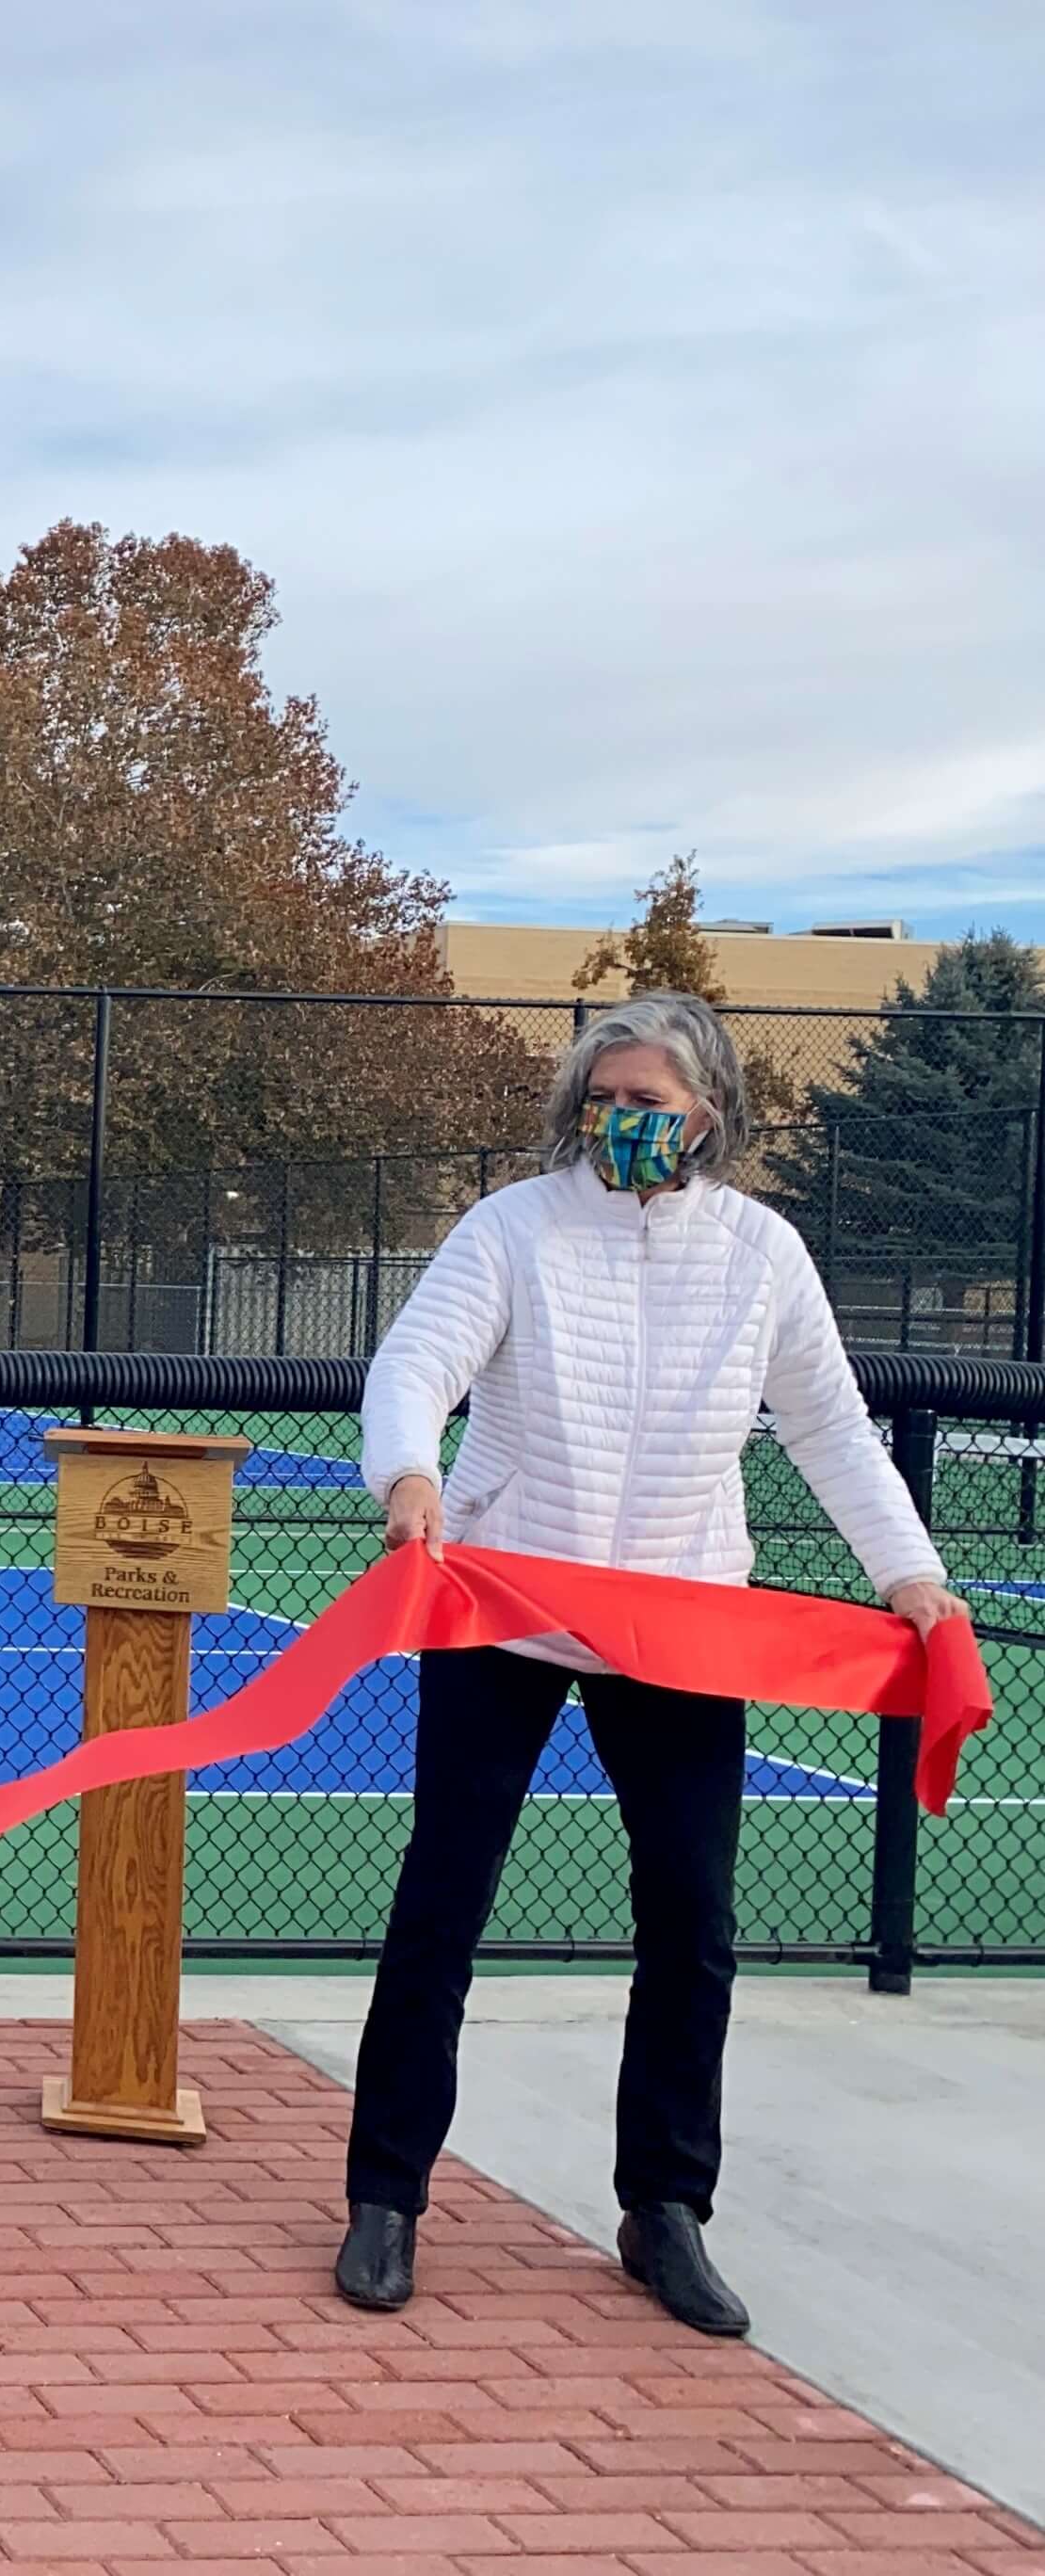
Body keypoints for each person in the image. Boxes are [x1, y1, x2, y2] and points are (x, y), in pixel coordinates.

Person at [344, 990, 961, 2337]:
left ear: (711, 1118)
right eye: (606, 1097)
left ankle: (664, 2206)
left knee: (690, 1915)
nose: (625, 1121)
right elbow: (419, 1361)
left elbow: (833, 1429)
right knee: (444, 1894)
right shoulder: (511, 1226)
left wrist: (911, 1576)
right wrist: (409, 1472)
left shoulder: (760, 1254)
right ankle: (387, 2195)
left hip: (683, 1619)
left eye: (653, 1103)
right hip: (506, 1600)